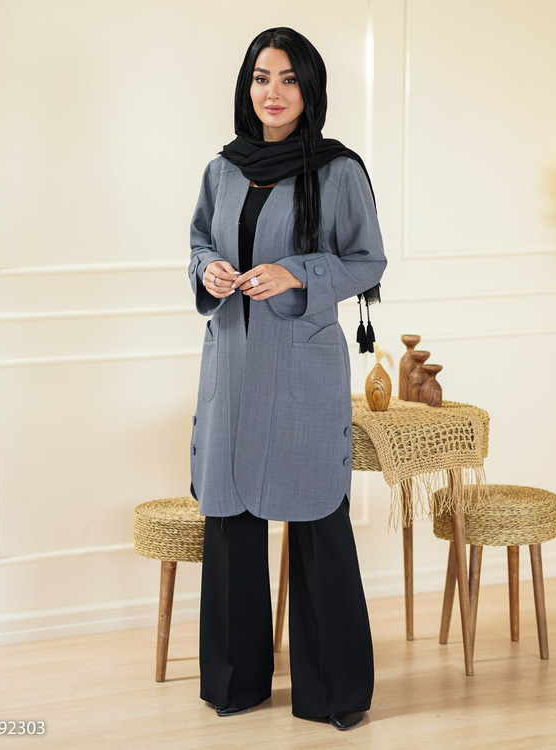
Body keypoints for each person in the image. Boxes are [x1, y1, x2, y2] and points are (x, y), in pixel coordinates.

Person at [188, 27, 387, 731]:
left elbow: (367, 261)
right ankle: (235, 683)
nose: (272, 93)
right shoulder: (222, 170)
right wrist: (210, 271)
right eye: (261, 77)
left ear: (310, 89)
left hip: (302, 369)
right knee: (229, 520)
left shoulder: (337, 170)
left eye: (288, 79)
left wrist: (295, 272)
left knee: (316, 520)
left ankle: (335, 693)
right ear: (246, 86)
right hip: (232, 365)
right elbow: (199, 242)